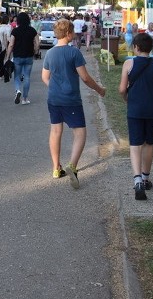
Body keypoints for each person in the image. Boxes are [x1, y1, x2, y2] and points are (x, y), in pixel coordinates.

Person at [41, 18, 106, 188]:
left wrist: (55, 87)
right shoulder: (74, 52)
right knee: (80, 133)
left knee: (55, 131)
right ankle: (72, 166)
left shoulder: (50, 53)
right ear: (69, 33)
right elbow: (85, 77)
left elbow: (44, 77)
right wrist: (99, 89)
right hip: (71, 100)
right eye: (73, 31)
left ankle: (56, 168)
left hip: (54, 98)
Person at [118, 33, 153, 200]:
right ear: (152, 47)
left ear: (136, 47)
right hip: (152, 110)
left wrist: (127, 98)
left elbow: (121, 89)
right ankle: (146, 177)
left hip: (135, 109)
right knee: (149, 143)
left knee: (135, 144)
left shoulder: (129, 63)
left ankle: (137, 180)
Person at [6, 12, 40, 105]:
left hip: (17, 56)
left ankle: (17, 91)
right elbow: (37, 43)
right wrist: (36, 51)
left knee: (17, 76)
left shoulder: (15, 31)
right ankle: (25, 98)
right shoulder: (32, 30)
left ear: (18, 21)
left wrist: (8, 56)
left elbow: (11, 44)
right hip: (29, 56)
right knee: (27, 77)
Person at [0, 14, 12, 81]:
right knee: (5, 59)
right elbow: (8, 38)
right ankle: (3, 72)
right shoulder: (9, 27)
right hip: (5, 45)